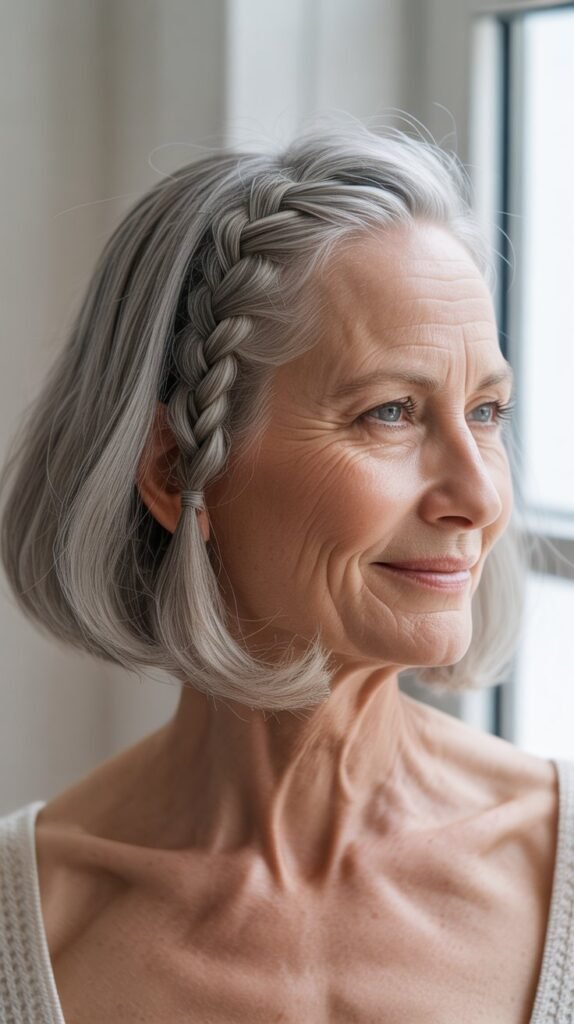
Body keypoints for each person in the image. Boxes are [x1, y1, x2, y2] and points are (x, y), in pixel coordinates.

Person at [0, 118, 570, 1024]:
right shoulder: (27, 932)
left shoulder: (559, 870)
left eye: (487, 411)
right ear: (177, 470)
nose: (479, 495)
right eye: (390, 412)